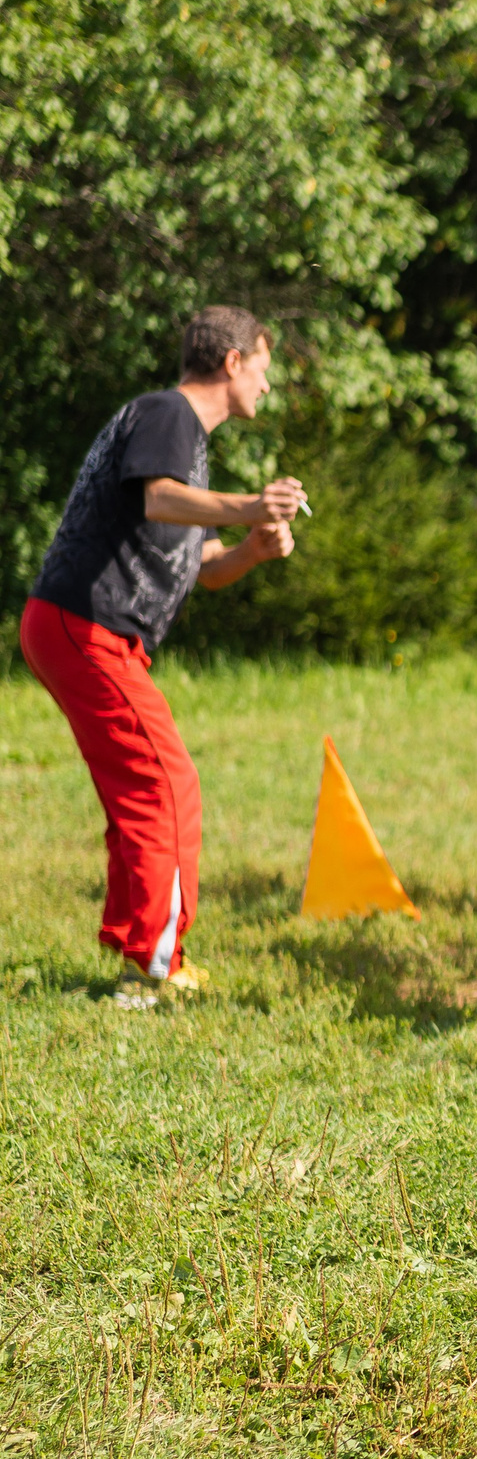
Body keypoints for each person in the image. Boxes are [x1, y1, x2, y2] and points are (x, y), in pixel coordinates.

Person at [19, 305, 307, 1007]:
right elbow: (158, 500)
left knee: (141, 788)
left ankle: (137, 948)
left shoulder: (185, 445)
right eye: (263, 369)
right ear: (232, 362)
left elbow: (201, 567)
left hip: (81, 629)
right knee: (165, 784)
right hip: (87, 625)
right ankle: (154, 965)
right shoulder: (168, 413)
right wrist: (251, 505)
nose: (267, 386)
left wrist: (252, 549)